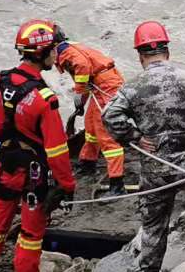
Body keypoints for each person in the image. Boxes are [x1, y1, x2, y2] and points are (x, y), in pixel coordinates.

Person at [0, 19, 76, 272]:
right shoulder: (44, 98)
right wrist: (67, 186)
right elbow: (56, 150)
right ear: (42, 53)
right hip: (33, 174)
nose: (57, 54)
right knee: (30, 234)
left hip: (5, 164)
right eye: (54, 49)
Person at [102, 21, 185, 272]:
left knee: (153, 225)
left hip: (156, 169)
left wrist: (135, 137)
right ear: (167, 51)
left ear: (140, 55)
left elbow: (110, 116)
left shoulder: (133, 86)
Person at [51, 29, 131, 195]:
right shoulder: (68, 49)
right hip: (102, 85)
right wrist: (82, 99)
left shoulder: (66, 53)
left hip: (106, 87)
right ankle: (88, 162)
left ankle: (117, 183)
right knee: (91, 125)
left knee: (105, 133)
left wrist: (79, 92)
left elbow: (82, 68)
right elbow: (86, 76)